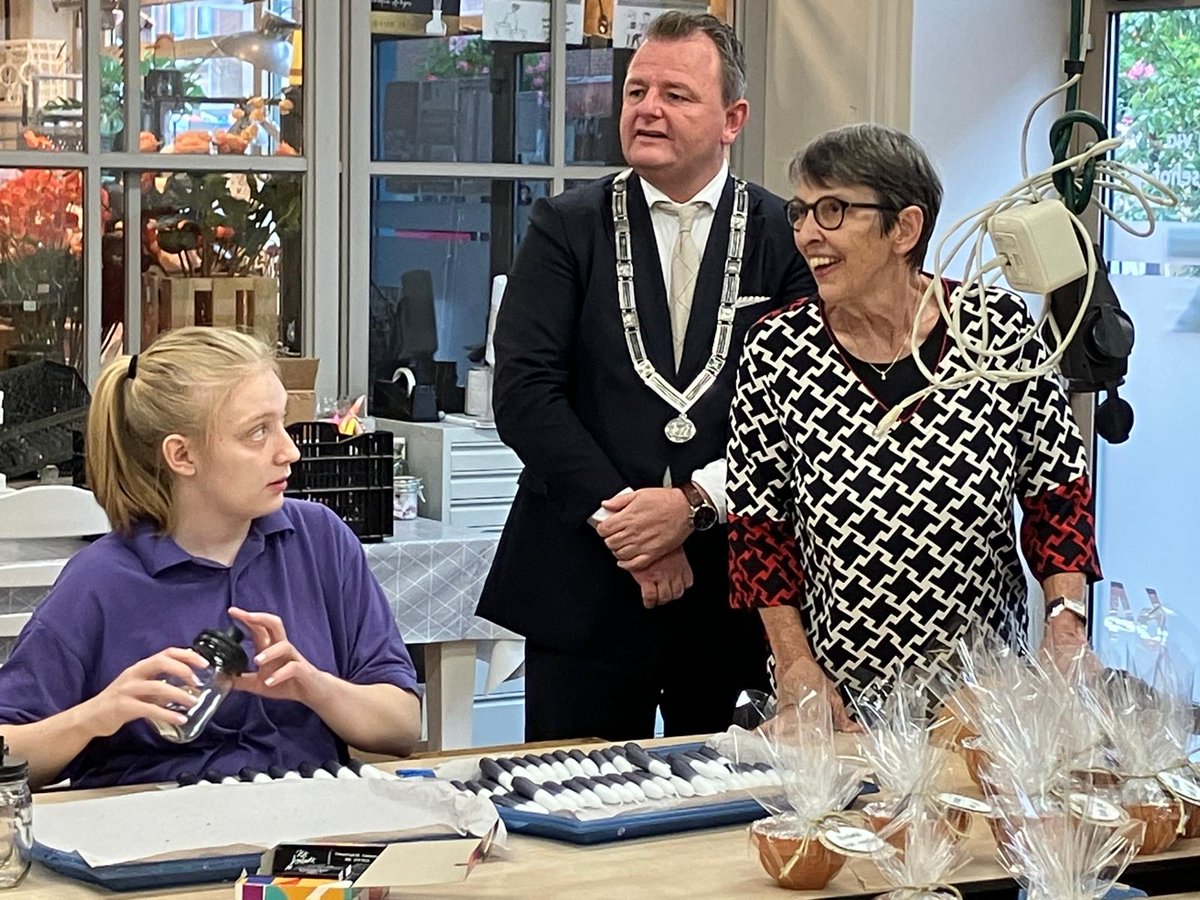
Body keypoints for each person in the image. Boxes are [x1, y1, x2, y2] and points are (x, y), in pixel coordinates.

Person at [476, 11, 815, 741]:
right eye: (636, 91)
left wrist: (693, 504)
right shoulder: (565, 226)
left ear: (733, 118)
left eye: (676, 94)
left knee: (727, 826)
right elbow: (525, 394)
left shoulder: (787, 235)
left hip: (735, 589)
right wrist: (631, 529)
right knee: (571, 811)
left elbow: (807, 408)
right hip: (585, 585)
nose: (647, 109)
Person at [727, 124, 1101, 730]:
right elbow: (759, 531)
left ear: (905, 228)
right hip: (836, 702)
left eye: (832, 210)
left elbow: (1058, 496)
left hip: (984, 700)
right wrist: (795, 667)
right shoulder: (777, 349)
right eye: (800, 212)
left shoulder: (995, 330)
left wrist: (1065, 629)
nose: (805, 234)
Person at [0, 328, 420, 789]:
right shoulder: (100, 581)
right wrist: (95, 716)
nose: (290, 451)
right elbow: (9, 748)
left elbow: (402, 727)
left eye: (283, 422)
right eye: (258, 432)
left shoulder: (319, 540)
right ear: (182, 455)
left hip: (304, 830)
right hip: (153, 839)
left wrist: (315, 688)